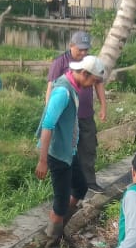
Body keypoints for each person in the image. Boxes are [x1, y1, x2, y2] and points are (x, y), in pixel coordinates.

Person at [35, 55, 106, 248]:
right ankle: (52, 242)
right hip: (57, 154)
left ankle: (61, 224)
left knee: (81, 187)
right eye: (92, 81)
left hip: (69, 150)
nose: (92, 85)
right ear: (84, 73)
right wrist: (43, 160)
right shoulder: (62, 91)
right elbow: (48, 126)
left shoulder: (73, 86)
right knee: (61, 198)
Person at [46, 31, 108, 193]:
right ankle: (69, 185)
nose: (83, 52)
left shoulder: (91, 62)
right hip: (67, 117)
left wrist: (103, 106)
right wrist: (49, 111)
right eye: (80, 49)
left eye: (86, 49)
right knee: (66, 151)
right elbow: (51, 88)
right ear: (71, 46)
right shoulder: (60, 62)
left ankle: (89, 182)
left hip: (86, 114)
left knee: (88, 148)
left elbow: (99, 84)